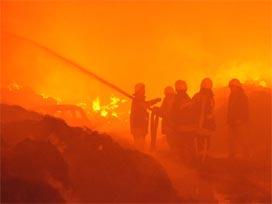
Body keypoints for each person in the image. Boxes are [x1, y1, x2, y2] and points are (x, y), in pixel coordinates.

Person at [130, 83, 161, 149]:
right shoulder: (137, 100)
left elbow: (145, 105)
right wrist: (155, 101)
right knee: (139, 147)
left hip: (140, 127)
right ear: (139, 91)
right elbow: (145, 105)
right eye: (143, 89)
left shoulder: (139, 100)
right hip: (137, 126)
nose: (144, 91)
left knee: (141, 145)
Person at [192, 78, 215, 163]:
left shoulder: (198, 96)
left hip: (200, 124)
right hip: (209, 125)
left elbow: (194, 109)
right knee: (206, 141)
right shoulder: (211, 97)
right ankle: (206, 158)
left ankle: (200, 160)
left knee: (199, 141)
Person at [227, 78, 249, 159]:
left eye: (233, 87)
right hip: (232, 122)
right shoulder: (231, 96)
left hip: (240, 123)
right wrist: (229, 120)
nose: (231, 89)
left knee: (243, 140)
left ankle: (246, 156)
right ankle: (231, 157)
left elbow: (245, 110)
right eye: (231, 87)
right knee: (231, 140)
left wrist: (241, 120)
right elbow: (230, 109)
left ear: (237, 87)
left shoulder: (242, 97)